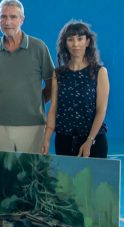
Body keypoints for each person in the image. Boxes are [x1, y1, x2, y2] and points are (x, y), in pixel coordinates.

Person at [0, 0, 54, 154]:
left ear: (22, 19)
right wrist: (3, 97)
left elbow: (51, 84)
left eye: (13, 17)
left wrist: (35, 100)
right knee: (1, 174)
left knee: (32, 175)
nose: (8, 22)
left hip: (33, 125)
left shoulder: (39, 47)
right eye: (3, 17)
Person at [41, 20, 110, 158]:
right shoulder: (58, 74)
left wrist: (89, 141)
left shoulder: (100, 72)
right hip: (63, 141)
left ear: (88, 42)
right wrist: (46, 139)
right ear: (65, 44)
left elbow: (101, 111)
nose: (76, 44)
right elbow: (53, 109)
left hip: (93, 141)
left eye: (80, 39)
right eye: (70, 39)